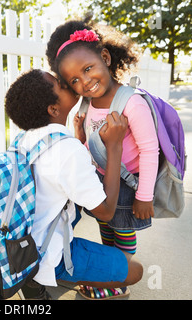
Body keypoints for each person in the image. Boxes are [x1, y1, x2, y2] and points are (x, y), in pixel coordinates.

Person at [45, 17, 159, 299]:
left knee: (122, 232)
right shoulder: (88, 103)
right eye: (75, 79)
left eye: (88, 69)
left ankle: (119, 279)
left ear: (105, 58)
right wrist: (81, 138)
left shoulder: (131, 102)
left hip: (127, 185)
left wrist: (144, 196)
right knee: (106, 228)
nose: (85, 82)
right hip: (102, 179)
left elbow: (149, 150)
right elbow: (94, 148)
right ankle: (111, 270)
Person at [4, 69, 143, 300]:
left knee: (74, 207)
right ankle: (45, 275)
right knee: (135, 270)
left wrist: (79, 140)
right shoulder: (66, 151)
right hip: (46, 254)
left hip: (20, 243)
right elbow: (107, 211)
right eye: (59, 84)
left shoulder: (24, 138)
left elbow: (60, 175)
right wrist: (114, 146)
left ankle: (32, 277)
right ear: (53, 109)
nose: (67, 82)